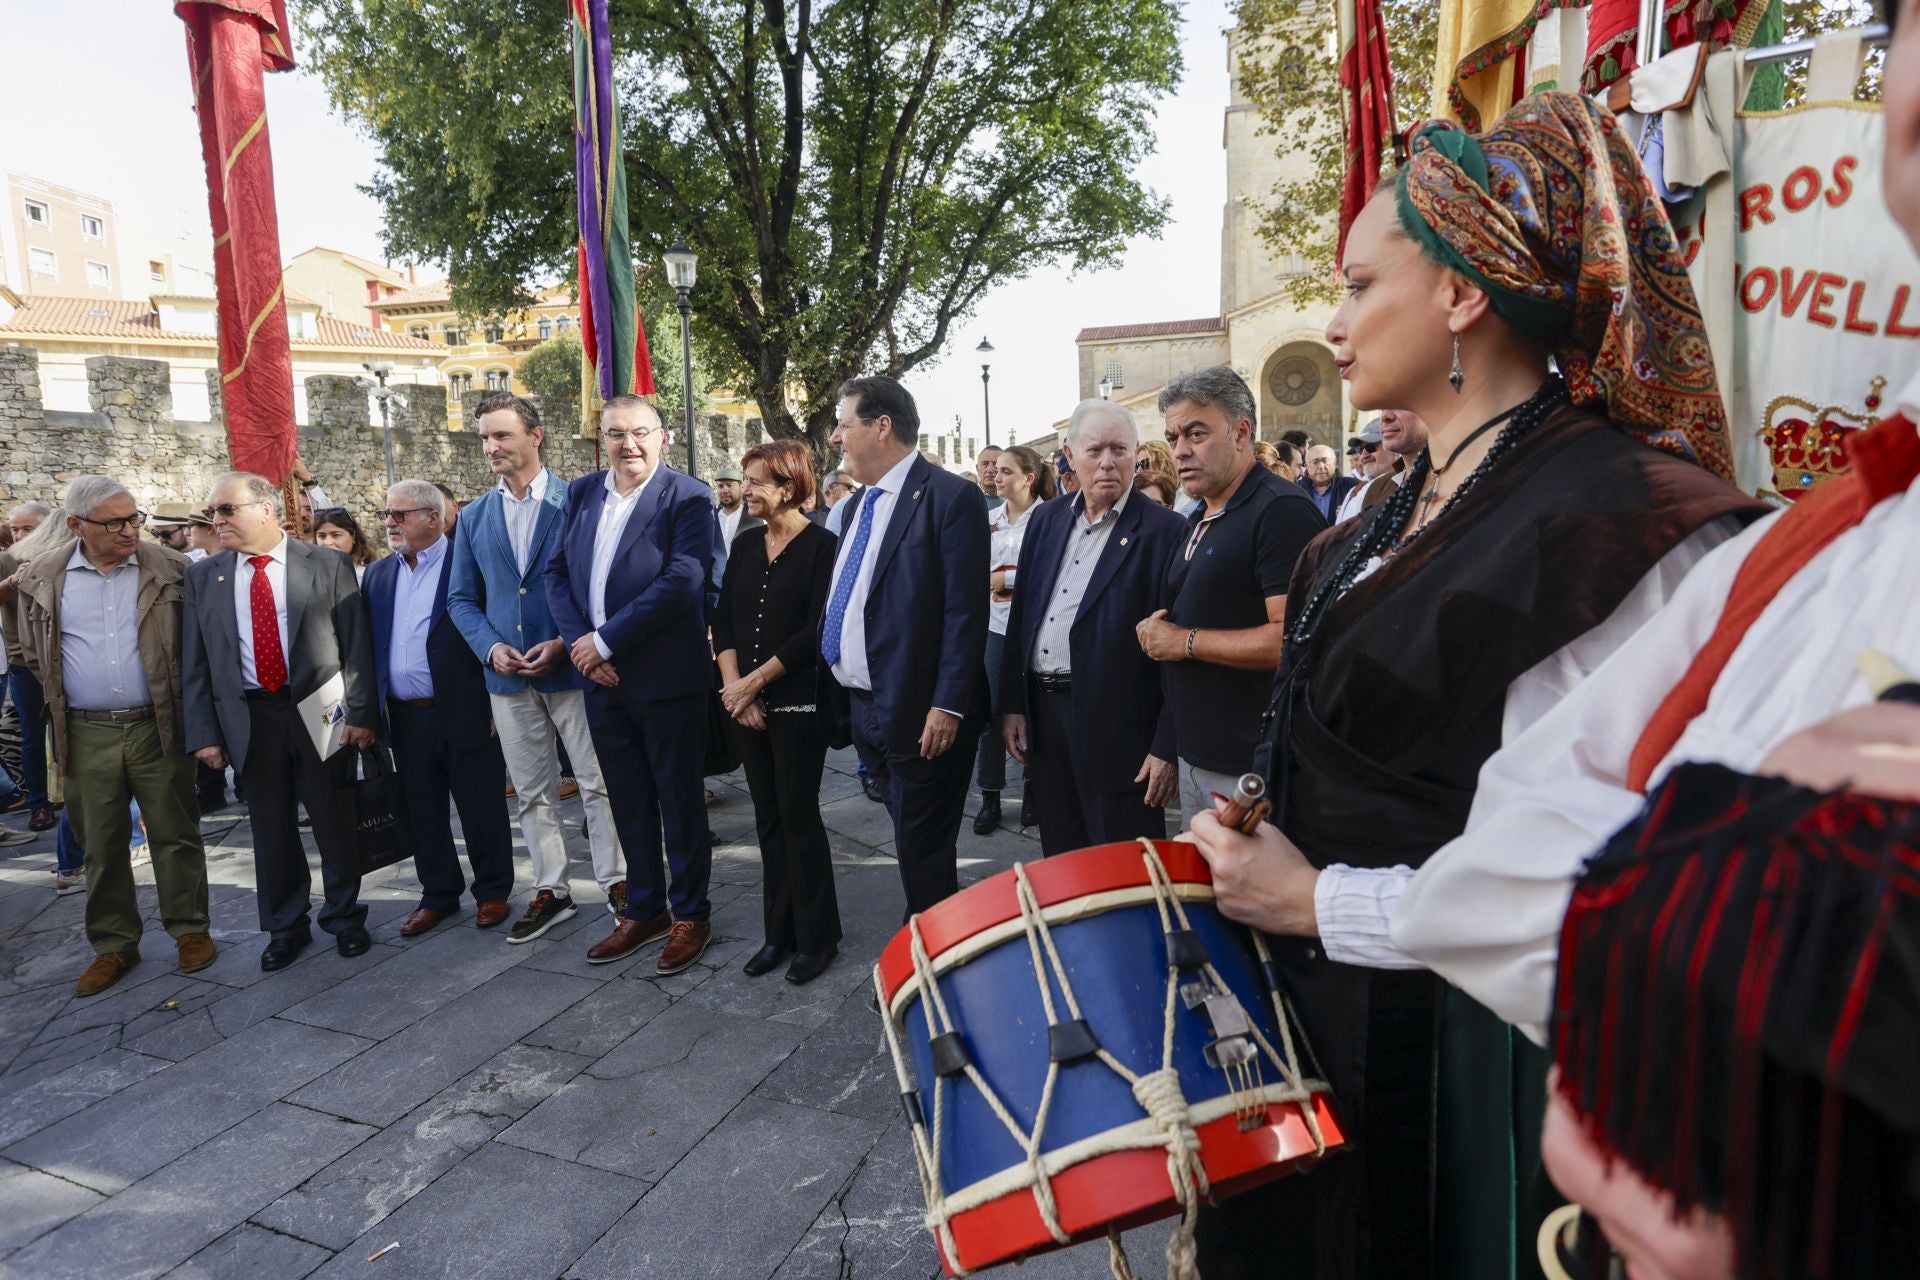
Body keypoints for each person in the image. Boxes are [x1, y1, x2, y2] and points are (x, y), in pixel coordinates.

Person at [1182, 92, 1764, 1280]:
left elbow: (1620, 883)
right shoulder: (1375, 513)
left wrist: (1320, 900)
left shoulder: (1624, 522)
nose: (1333, 324)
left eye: (1357, 284)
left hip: (1469, 1081)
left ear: (1462, 291)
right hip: (1314, 1049)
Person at [14, 476, 214, 996]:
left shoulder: (170, 570)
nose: (129, 530)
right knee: (99, 845)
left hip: (157, 724)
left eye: (134, 519)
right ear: (77, 525)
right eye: (115, 522)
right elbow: (29, 651)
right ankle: (114, 944)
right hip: (83, 730)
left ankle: (190, 930)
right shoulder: (42, 576)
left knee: (176, 832)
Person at [182, 471, 380, 971]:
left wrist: (361, 713)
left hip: (321, 710)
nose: (216, 520)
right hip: (251, 716)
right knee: (270, 830)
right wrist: (205, 733)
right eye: (213, 512)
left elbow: (356, 645)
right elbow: (196, 661)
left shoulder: (327, 563)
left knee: (335, 821)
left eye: (226, 510)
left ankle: (344, 916)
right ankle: (285, 926)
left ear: (265, 509)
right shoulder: (205, 575)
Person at [547, 394, 717, 972]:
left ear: (662, 437)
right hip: (600, 679)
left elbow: (683, 580)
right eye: (616, 433)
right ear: (603, 437)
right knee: (627, 800)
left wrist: (607, 639)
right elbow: (557, 573)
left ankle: (692, 913)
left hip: (665, 678)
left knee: (678, 801)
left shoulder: (689, 496)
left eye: (640, 432)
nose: (630, 444)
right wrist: (583, 647)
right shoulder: (581, 492)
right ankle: (645, 909)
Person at [450, 392, 626, 941]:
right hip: (506, 677)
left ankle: (620, 880)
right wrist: (489, 648)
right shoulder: (476, 515)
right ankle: (552, 889)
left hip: (572, 668)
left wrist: (563, 640)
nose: (491, 447)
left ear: (535, 436)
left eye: (501, 435)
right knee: (531, 791)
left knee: (598, 782)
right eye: (484, 437)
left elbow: (598, 581)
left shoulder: (579, 500)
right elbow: (461, 599)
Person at [820, 375, 989, 915]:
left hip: (922, 713)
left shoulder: (949, 497)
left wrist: (948, 704)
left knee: (923, 847)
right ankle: (939, 931)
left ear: (881, 426)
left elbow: (965, 613)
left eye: (844, 426)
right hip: (867, 707)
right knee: (911, 838)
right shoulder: (858, 505)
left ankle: (933, 961)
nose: (835, 438)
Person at [1136, 365, 1324, 827]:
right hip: (1197, 758)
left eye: (1196, 433)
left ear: (1242, 432)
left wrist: (1183, 642)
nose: (1180, 450)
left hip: (1253, 766)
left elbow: (1295, 642)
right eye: (1173, 436)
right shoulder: (1199, 515)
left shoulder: (1279, 511)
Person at [1002, 401, 1185, 855]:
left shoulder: (1165, 531)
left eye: (1119, 450)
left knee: (1125, 866)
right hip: (1046, 721)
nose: (1107, 462)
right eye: (1095, 450)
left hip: (1120, 731)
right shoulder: (1046, 519)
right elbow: (1023, 616)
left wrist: (1166, 746)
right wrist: (1013, 705)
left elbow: (1176, 651)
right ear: (1068, 454)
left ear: (1136, 453)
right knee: (1062, 858)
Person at [714, 440, 841, 984]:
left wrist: (754, 683)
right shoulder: (744, 546)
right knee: (766, 818)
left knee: (798, 815)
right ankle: (778, 934)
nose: (747, 490)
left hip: (797, 703)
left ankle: (819, 938)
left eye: (758, 481)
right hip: (744, 706)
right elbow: (722, 621)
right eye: (745, 480)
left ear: (790, 486)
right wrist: (733, 690)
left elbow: (817, 629)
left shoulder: (823, 546)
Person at [364, 481, 514, 937]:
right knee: (421, 809)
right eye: (387, 514)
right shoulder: (378, 574)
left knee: (481, 805)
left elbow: (491, 628)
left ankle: (492, 891)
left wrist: (495, 700)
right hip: (405, 715)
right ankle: (438, 895)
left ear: (434, 517)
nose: (389, 523)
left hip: (464, 705)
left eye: (400, 514)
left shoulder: (466, 564)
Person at [972, 445, 1056, 835]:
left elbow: (1051, 573)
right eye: (993, 469)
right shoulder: (987, 520)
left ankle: (1034, 790)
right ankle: (989, 794)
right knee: (989, 713)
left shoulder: (1050, 519)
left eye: (1005, 470)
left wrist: (1005, 579)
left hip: (1033, 627)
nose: (996, 476)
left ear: (1028, 478)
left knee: (1034, 711)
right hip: (993, 625)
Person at [3, 502, 55, 832]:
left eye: (28, 528)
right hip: (23, 662)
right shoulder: (7, 559)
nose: (19, 535)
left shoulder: (64, 555)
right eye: (15, 529)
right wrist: (11, 583)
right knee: (32, 735)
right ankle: (39, 803)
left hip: (62, 659)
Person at [1333, 420, 1388, 522]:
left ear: (1393, 446)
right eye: (1360, 449)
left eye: (1371, 447)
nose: (1364, 455)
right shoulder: (1355, 491)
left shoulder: (1407, 485)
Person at [311, 507, 380, 582]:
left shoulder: (367, 577)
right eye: (322, 536)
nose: (328, 542)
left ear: (353, 537)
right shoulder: (309, 575)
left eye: (336, 535)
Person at [711, 463, 761, 551]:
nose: (724, 490)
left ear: (742, 487)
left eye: (729, 485)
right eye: (720, 486)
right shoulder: (710, 517)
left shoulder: (755, 517)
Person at [1301, 442, 1354, 522]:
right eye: (1315, 462)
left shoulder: (1352, 487)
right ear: (1307, 466)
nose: (1321, 467)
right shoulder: (1298, 489)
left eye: (1325, 461)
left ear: (1335, 463)